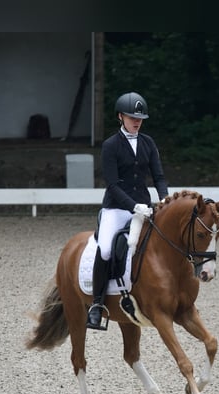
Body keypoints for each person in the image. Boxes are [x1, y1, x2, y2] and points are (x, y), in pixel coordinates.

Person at [86, 91, 169, 330]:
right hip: (117, 207)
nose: (137, 121)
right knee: (106, 250)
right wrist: (133, 206)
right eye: (132, 117)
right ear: (120, 117)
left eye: (140, 117)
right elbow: (112, 184)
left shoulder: (148, 143)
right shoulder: (111, 146)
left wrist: (164, 200)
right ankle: (97, 305)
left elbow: (159, 177)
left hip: (144, 206)